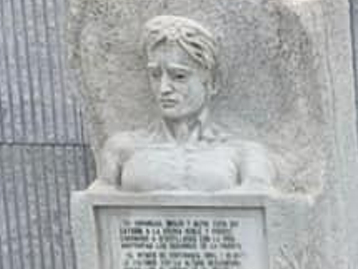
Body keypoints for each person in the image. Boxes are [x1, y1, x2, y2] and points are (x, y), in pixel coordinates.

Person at [97, 14, 274, 193]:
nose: (163, 88)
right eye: (155, 75)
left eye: (179, 76)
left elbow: (265, 199)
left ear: (212, 82)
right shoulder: (121, 149)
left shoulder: (245, 153)